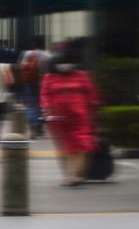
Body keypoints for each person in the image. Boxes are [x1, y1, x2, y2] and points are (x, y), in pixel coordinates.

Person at [40, 45, 100, 186]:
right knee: (64, 148)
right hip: (57, 118)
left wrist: (94, 110)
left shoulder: (82, 76)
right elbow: (44, 95)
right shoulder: (49, 77)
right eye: (61, 62)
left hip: (80, 115)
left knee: (81, 145)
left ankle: (76, 175)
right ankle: (68, 174)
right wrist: (46, 109)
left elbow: (91, 94)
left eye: (67, 61)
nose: (64, 65)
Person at [18, 36, 49, 138]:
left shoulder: (27, 53)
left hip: (30, 82)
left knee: (31, 105)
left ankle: (32, 127)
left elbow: (20, 67)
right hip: (44, 83)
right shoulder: (47, 55)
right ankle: (39, 127)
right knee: (43, 106)